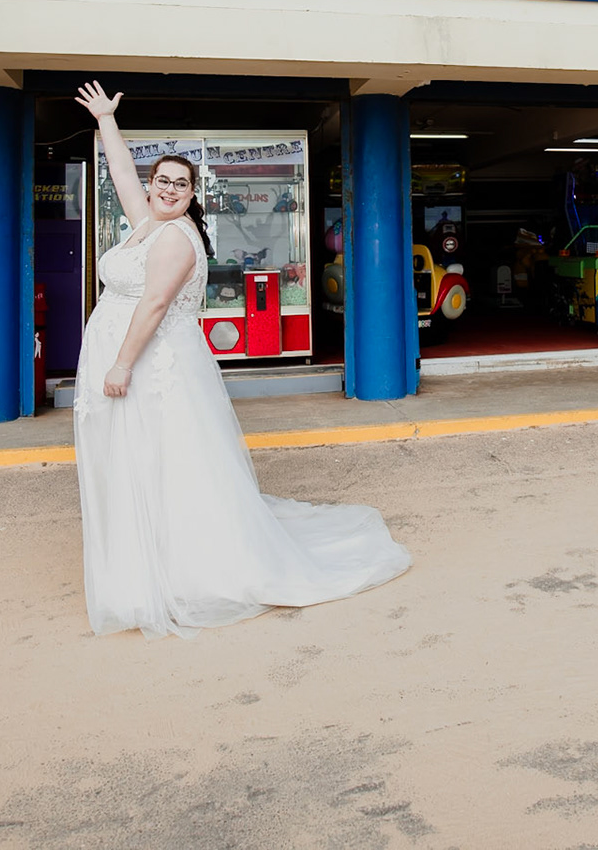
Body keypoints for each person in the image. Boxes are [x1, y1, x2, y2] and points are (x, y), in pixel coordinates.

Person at [71, 81, 411, 638]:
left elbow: (154, 304)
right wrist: (107, 121)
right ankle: (146, 555)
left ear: (192, 192)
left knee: (163, 462)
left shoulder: (175, 239)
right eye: (163, 181)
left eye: (181, 184)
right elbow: (122, 176)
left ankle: (181, 567)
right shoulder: (145, 224)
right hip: (137, 362)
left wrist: (121, 364)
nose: (168, 189)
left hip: (152, 369)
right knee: (141, 461)